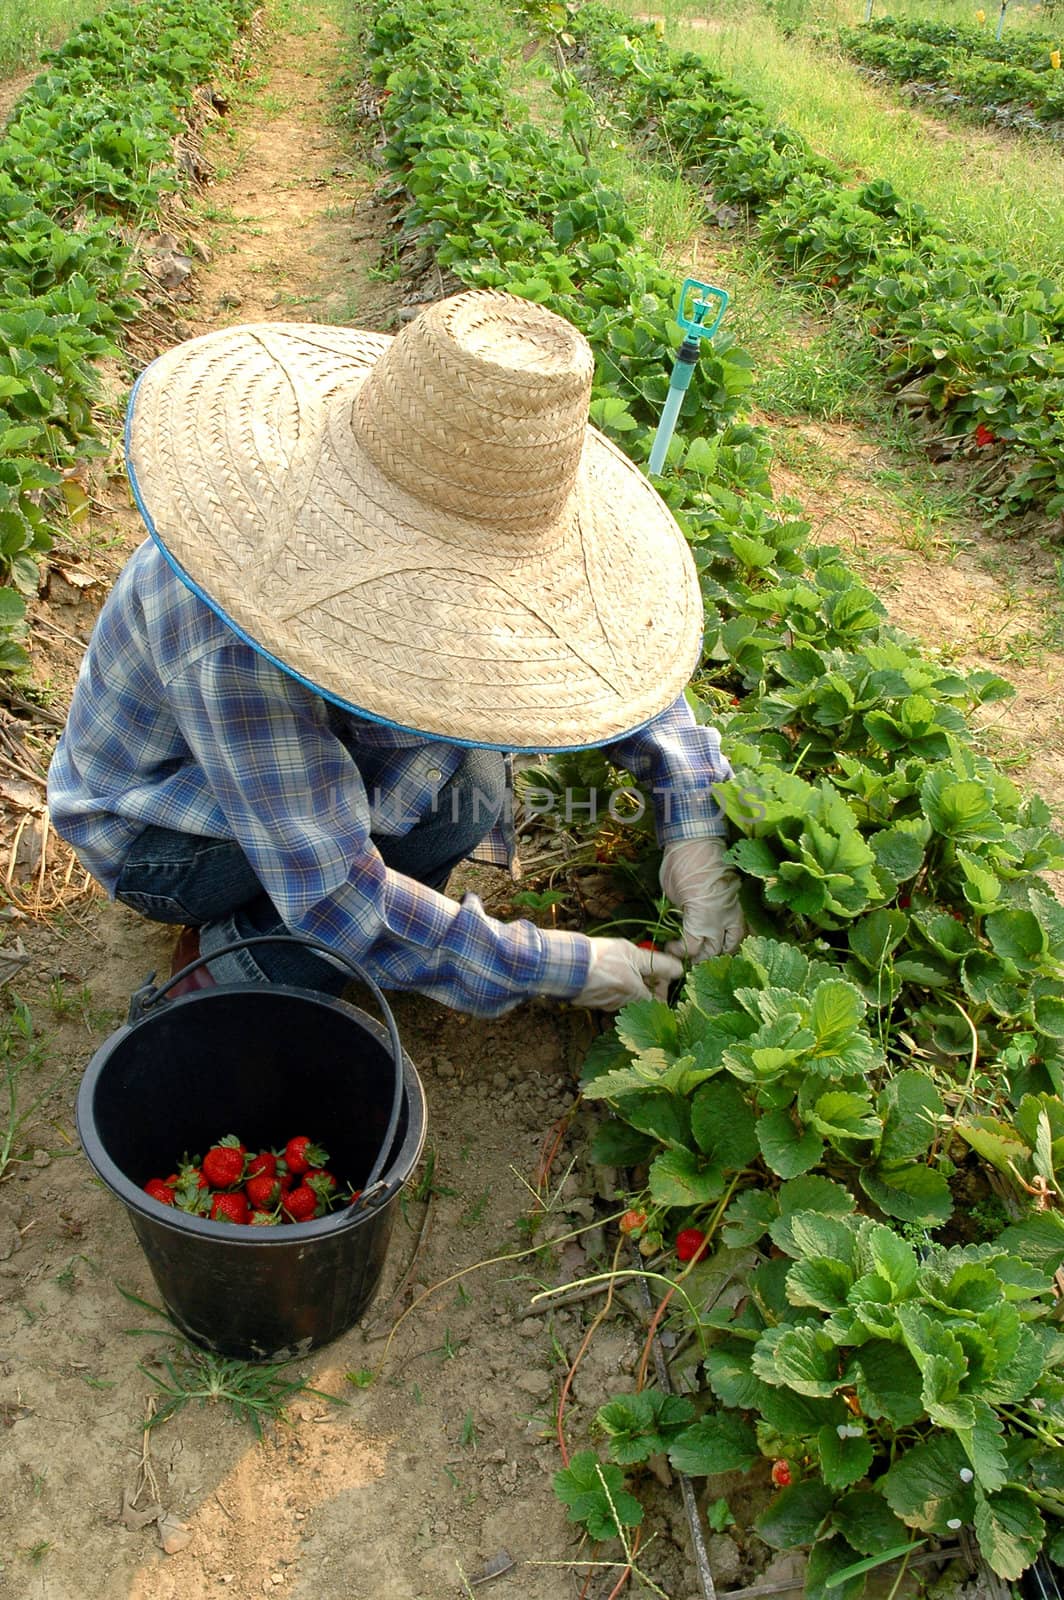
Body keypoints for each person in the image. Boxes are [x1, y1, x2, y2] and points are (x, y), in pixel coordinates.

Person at [47, 290, 744, 1016]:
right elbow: (336, 898)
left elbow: (611, 668)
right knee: (381, 877)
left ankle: (377, 944)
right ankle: (225, 971)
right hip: (163, 829)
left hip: (282, 781)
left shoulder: (479, 490)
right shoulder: (233, 626)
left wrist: (692, 824)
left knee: (470, 788)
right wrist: (555, 965)